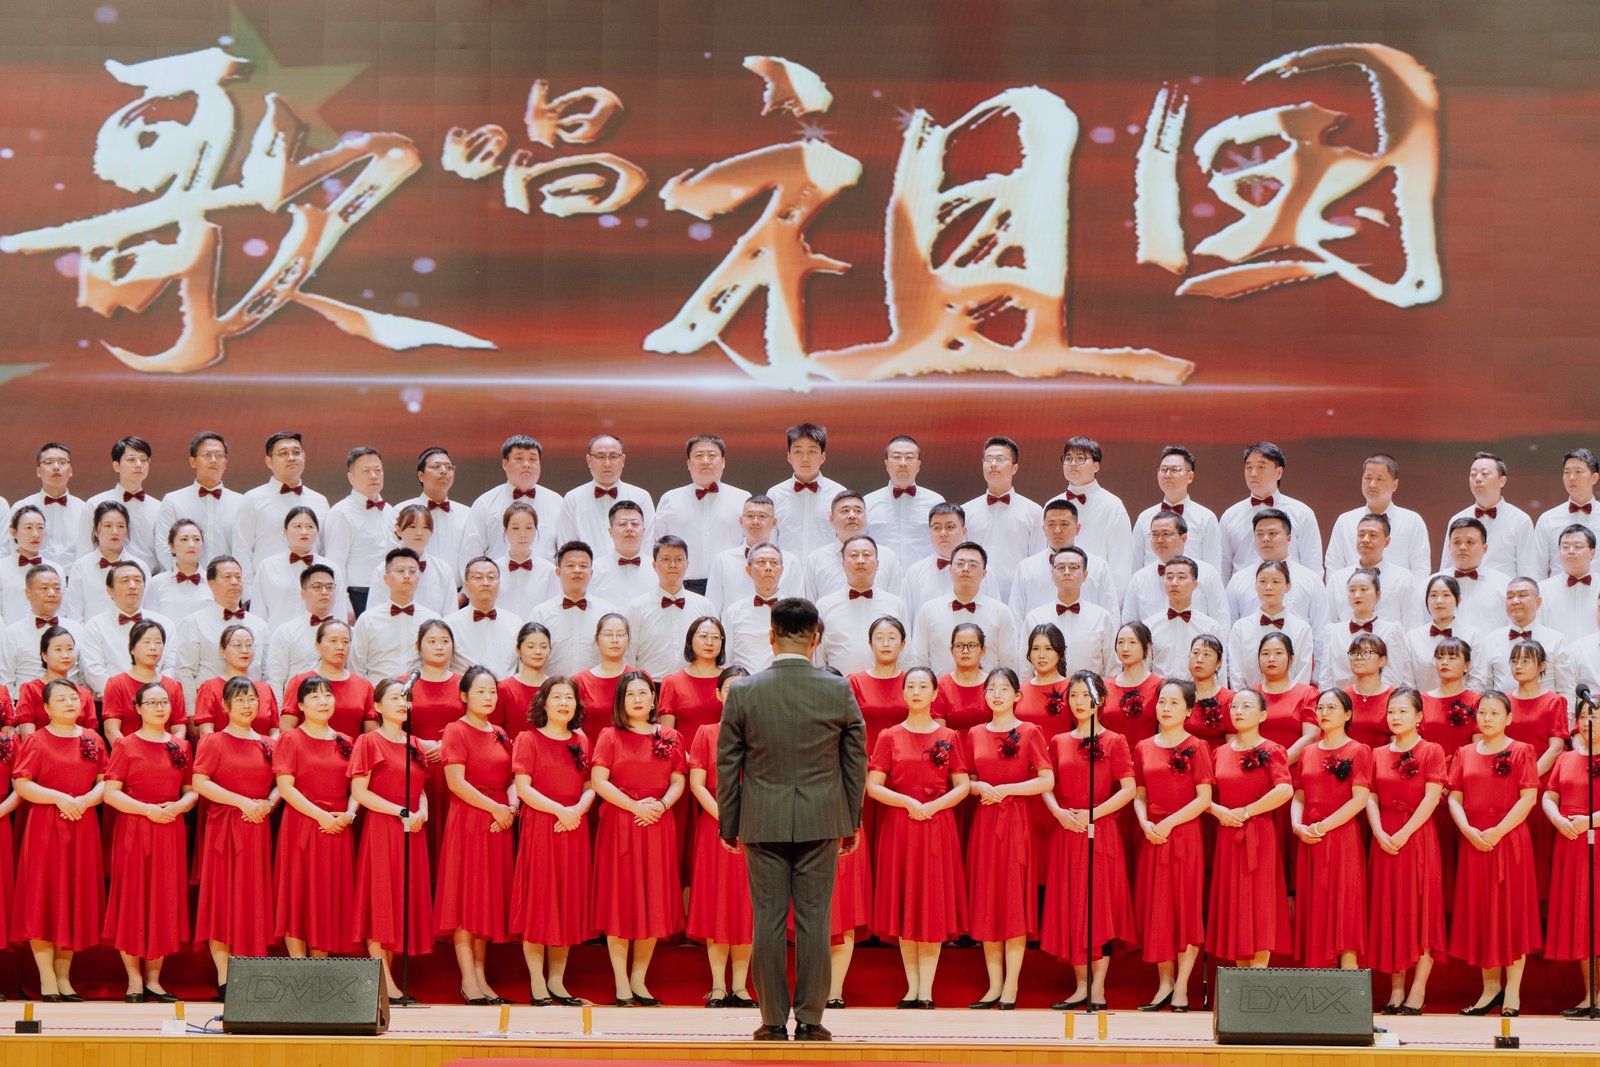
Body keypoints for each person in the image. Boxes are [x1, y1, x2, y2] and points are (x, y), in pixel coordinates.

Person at [718, 597, 866, 1040]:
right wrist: (851, 820)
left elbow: (727, 765)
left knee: (766, 919)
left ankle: (770, 1020)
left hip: (762, 819)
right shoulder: (837, 689)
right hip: (822, 818)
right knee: (814, 920)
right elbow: (855, 761)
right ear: (815, 639)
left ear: (771, 637)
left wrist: (730, 824)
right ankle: (811, 1019)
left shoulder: (744, 691)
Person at [867, 666, 970, 1010]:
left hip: (937, 825)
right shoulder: (889, 736)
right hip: (901, 825)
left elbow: (963, 785)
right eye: (910, 686)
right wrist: (907, 802)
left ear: (934, 693)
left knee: (931, 905)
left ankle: (926, 990)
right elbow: (873, 786)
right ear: (903, 693)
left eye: (923, 686)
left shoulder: (949, 736)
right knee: (906, 903)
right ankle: (912, 989)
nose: (916, 692)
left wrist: (935, 806)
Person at [1040, 670, 1137, 1011]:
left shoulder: (1115, 741)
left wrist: (1093, 813)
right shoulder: (1058, 742)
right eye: (1074, 695)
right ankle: (1080, 985)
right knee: (1073, 907)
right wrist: (1058, 813)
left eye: (1087, 695)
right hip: (1067, 830)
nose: (1080, 702)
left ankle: (1098, 987)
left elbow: (1128, 790)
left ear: (1101, 700)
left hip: (1101, 831)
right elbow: (1046, 785)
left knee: (1100, 907)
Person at [591, 670, 686, 1006]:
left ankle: (639, 980)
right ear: (621, 700)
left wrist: (661, 805)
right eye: (630, 694)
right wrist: (634, 806)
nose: (637, 699)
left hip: (657, 824)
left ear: (653, 699)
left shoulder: (670, 736)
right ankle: (621, 982)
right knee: (620, 903)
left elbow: (679, 779)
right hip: (621, 821)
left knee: (652, 902)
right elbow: (599, 781)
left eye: (643, 693)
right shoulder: (609, 735)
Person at [1447, 689, 1542, 1016]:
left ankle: (1512, 992)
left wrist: (1498, 831)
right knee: (1482, 912)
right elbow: (1454, 797)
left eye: (1494, 713)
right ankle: (1490, 990)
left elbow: (1528, 798)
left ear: (1508, 718)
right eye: (1482, 713)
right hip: (1474, 840)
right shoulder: (1464, 753)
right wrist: (1467, 829)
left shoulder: (1522, 750)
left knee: (1512, 913)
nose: (1487, 718)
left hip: (1509, 839)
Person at [10, 680, 106, 1001]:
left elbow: (105, 781)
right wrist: (58, 798)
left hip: (82, 823)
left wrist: (86, 800)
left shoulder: (93, 738)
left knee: (72, 897)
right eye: (61, 699)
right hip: (46, 826)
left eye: (73, 698)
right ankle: (47, 977)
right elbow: (22, 784)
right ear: (47, 708)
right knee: (44, 897)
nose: (69, 703)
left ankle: (64, 978)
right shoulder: (37, 740)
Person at [102, 680, 197, 1002]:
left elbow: (191, 790)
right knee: (132, 900)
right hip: (135, 829)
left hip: (169, 829)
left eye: (164, 702)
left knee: (164, 901)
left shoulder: (181, 746)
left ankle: (154, 980)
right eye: (152, 703)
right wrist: (147, 810)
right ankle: (133, 980)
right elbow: (111, 793)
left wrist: (180, 806)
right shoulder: (126, 745)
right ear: (138, 709)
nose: (159, 708)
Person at [964, 668, 1052, 1009]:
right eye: (991, 689)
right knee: (988, 900)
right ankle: (994, 985)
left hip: (1015, 821)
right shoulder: (974, 733)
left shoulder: (1029, 731)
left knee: (1013, 900)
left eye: (1004, 689)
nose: (997, 694)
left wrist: (1006, 790)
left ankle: (1011, 985)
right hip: (985, 823)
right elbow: (965, 780)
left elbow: (1046, 780)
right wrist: (978, 787)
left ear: (1017, 695)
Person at [191, 677, 279, 995]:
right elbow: (200, 782)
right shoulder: (213, 741)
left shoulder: (269, 744)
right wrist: (243, 802)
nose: (247, 705)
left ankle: (252, 975)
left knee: (252, 898)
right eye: (239, 700)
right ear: (226, 706)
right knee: (222, 900)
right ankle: (225, 977)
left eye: (252, 699)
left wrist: (268, 804)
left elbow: (280, 784)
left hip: (257, 827)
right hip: (225, 827)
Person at [435, 666, 517, 1005]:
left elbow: (513, 778)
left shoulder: (500, 732)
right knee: (466, 899)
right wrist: (495, 808)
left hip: (499, 822)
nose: (488, 697)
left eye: (492, 691)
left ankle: (482, 977)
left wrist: (511, 808)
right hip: (470, 820)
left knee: (486, 901)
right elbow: (456, 783)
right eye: (481, 691)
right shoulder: (456, 730)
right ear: (464, 695)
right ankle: (468, 979)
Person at [512, 677, 595, 1006]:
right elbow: (523, 788)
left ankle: (558, 983)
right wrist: (561, 811)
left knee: (567, 901)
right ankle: (537, 983)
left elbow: (590, 785)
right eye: (557, 697)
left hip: (573, 826)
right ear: (543, 703)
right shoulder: (528, 739)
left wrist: (577, 810)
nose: (563, 703)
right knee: (540, 901)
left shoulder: (582, 740)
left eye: (569, 698)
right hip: (542, 825)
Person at [1131, 680, 1214, 1012]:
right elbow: (1139, 794)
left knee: (1185, 909)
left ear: (1189, 710)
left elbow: (1204, 798)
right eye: (1162, 702)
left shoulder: (1197, 746)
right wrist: (1144, 823)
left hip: (1184, 835)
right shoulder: (1143, 747)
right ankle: (1164, 983)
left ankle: (1181, 987)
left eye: (1174, 703)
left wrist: (1169, 823)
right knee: (1159, 910)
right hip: (1153, 834)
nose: (1165, 708)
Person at [348, 678, 432, 1005]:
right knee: (380, 901)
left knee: (399, 903)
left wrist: (422, 811)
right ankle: (384, 983)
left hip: (411, 829)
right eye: (395, 698)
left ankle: (388, 980)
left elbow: (420, 787)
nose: (402, 703)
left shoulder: (415, 744)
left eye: (405, 698)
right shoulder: (369, 741)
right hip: (383, 827)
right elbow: (360, 792)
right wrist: (400, 811)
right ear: (378, 706)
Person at [1366, 687, 1448, 1015]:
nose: (1396, 717)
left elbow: (1432, 798)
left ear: (1418, 717)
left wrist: (1403, 833)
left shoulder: (1431, 750)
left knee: (1420, 910)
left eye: (1403, 711)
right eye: (1391, 712)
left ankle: (1418, 988)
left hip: (1416, 836)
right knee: (1391, 911)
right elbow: (1370, 796)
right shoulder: (1376, 754)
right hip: (1383, 837)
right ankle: (1396, 988)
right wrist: (1378, 831)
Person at [1206, 687, 1293, 967]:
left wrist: (1246, 812)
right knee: (1235, 904)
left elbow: (1284, 790)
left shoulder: (1272, 750)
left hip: (1259, 833)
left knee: (1259, 903)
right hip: (1227, 833)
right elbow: (1202, 795)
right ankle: (1240, 980)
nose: (1239, 712)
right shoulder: (1219, 753)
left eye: (1246, 707)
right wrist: (1217, 810)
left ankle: (1257, 977)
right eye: (1234, 707)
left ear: (1263, 715)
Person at [273, 675, 358, 958]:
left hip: (337, 826)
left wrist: (349, 813)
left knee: (327, 896)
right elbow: (286, 788)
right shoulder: (290, 739)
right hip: (303, 822)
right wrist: (321, 816)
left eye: (327, 695)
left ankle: (318, 970)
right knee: (297, 893)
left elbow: (357, 787)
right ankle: (299, 967)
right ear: (300, 705)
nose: (323, 701)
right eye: (314, 696)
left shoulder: (346, 741)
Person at [687, 666, 756, 1008]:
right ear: (718, 694)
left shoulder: (763, 732)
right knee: (717, 905)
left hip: (754, 830)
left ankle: (740, 987)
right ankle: (717, 986)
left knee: (746, 907)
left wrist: (747, 821)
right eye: (730, 688)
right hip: (714, 827)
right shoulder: (706, 733)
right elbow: (697, 784)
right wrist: (727, 819)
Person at [1291, 688, 1373, 969]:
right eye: (1320, 708)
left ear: (1348, 714)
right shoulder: (1308, 752)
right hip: (1309, 837)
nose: (1324, 713)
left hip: (1341, 837)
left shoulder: (1358, 750)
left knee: (1345, 906)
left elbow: (1359, 800)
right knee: (1315, 906)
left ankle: (1349, 982)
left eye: (1332, 708)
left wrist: (1323, 826)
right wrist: (1297, 825)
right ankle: (1316, 979)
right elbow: (1299, 795)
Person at [1541, 692, 1600, 1016]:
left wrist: (1590, 821)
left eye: (1595, 715)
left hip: (1595, 836)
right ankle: (1590, 995)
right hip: (1570, 840)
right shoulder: (1566, 758)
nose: (1588, 722)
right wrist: (1557, 818)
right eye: (1583, 716)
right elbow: (1549, 795)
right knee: (1583, 919)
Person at [654, 434, 750, 594]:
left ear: (723, 462)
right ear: (688, 463)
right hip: (682, 588)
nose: (705, 461)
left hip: (731, 586)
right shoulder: (670, 499)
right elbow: (658, 544)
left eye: (712, 455)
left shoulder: (742, 498)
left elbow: (751, 544)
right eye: (699, 456)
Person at [232, 432, 332, 577]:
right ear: (269, 461)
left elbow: (325, 550)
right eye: (283, 453)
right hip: (268, 584)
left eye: (296, 453)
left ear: (304, 456)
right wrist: (248, 589)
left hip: (312, 584)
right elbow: (241, 550)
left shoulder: (320, 501)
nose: (291, 458)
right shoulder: (252, 499)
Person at [1218, 441, 1323, 579]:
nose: (1253, 473)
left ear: (1278, 472)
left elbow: (1313, 565)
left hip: (1290, 589)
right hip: (1243, 590)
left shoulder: (1302, 513)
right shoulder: (1230, 515)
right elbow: (1223, 567)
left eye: (1261, 467)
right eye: (1249, 467)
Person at [910, 542, 1018, 675]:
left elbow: (1008, 664)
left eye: (973, 565)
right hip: (940, 688)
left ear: (984, 573)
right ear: (950, 569)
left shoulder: (1001, 613)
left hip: (988, 688)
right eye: (960, 564)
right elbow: (919, 661)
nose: (965, 569)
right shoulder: (929, 611)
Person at [1007, 500, 1119, 620]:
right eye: (1051, 524)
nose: (1057, 530)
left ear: (1077, 528)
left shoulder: (1098, 566)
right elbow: (1016, 616)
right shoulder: (1026, 568)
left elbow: (1111, 615)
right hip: (1039, 631)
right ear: (1043, 529)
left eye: (1064, 524)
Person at [1223, 510, 1330, 635]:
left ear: (1288, 538)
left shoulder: (1311, 580)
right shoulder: (1238, 580)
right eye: (1259, 534)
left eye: (1272, 533)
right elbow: (1228, 629)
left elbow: (1321, 631)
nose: (1265, 539)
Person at [815, 535, 910, 674]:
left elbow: (906, 656)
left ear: (877, 564)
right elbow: (818, 657)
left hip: (885, 685)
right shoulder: (824, 606)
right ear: (843, 565)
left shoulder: (895, 604)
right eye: (854, 555)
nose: (860, 560)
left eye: (866, 555)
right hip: (838, 685)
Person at [962, 435, 1043, 597]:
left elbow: (1037, 561)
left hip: (1018, 595)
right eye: (988, 459)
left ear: (1014, 468)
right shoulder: (966, 511)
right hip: (976, 595)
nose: (993, 464)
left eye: (1000, 459)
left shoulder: (1033, 511)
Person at [1325, 455, 1432, 577]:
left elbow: (1421, 569)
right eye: (1368, 478)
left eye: (1379, 479)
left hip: (1398, 588)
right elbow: (1333, 566)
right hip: (1354, 588)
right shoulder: (1345, 521)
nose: (1372, 484)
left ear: (1394, 485)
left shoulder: (1412, 521)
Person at [625, 536, 716, 679]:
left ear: (687, 564)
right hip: (650, 684)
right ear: (654, 565)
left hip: (694, 682)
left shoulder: (705, 606)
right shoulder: (636, 607)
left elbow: (715, 648)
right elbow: (628, 654)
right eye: (666, 559)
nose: (673, 565)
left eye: (679, 559)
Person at [463, 435, 561, 561]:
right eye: (519, 458)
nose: (526, 464)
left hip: (547, 574)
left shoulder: (557, 502)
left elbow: (566, 550)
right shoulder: (485, 503)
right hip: (497, 573)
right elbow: (470, 552)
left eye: (532, 459)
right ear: (505, 464)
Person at [154, 431, 242, 571]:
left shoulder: (241, 502)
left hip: (227, 581)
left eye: (219, 455)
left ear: (225, 463)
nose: (213, 460)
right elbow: (164, 545)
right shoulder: (173, 500)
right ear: (193, 462)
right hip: (184, 580)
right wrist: (184, 576)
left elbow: (245, 548)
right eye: (207, 455)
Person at [1022, 546, 1117, 675]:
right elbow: (1025, 669)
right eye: (1061, 567)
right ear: (1052, 574)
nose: (1067, 572)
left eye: (1073, 567)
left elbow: (1112, 667)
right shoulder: (1035, 618)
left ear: (1085, 575)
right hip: (1045, 688)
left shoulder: (1102, 617)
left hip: (1089, 688)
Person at [1123, 511, 1229, 625]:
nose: (1159, 540)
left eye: (1166, 534)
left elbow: (1221, 619)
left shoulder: (1207, 573)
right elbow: (1129, 624)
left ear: (1183, 538)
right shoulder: (1139, 578)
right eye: (1155, 534)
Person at [250, 506, 350, 627]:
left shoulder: (331, 568)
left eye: (310, 526)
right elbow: (257, 613)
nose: (304, 531)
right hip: (276, 635)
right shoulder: (267, 567)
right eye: (298, 526)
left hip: (319, 635)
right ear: (285, 532)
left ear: (317, 532)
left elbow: (339, 612)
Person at [350, 549, 442, 680]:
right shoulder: (367, 620)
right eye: (400, 570)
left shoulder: (433, 620)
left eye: (412, 571)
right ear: (386, 578)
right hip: (378, 690)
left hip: (419, 690)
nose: (407, 575)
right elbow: (356, 666)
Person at [528, 542, 615, 678]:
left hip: (596, 687)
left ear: (591, 573)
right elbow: (529, 657)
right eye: (570, 565)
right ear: (558, 572)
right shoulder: (540, 613)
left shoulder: (608, 613)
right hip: (552, 688)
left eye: (583, 566)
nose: (577, 570)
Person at [1440, 452, 1533, 578]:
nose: (1477, 479)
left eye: (1484, 473)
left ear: (1502, 481)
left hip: (1503, 590)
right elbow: (1446, 568)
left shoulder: (1521, 520)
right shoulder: (1457, 519)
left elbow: (1528, 570)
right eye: (1473, 474)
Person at [1226, 560, 1317, 689]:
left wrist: (1292, 698)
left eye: (1276, 582)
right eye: (1263, 581)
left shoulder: (1302, 629)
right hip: (1248, 699)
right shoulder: (1240, 628)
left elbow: (1303, 674)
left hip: (1292, 700)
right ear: (1255, 585)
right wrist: (1246, 699)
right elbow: (1236, 673)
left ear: (1288, 586)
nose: (1269, 587)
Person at [1131, 445, 1222, 571]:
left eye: (1175, 470)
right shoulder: (1144, 517)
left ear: (1190, 477)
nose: (1167, 475)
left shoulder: (1206, 518)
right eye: (1163, 470)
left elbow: (1213, 568)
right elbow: (1135, 566)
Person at [704, 496, 804, 609]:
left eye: (762, 516)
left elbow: (799, 609)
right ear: (741, 521)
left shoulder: (791, 562)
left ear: (774, 522)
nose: (755, 521)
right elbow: (712, 608)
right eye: (750, 516)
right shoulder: (723, 560)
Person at [324, 446, 389, 617]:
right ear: (351, 478)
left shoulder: (391, 512)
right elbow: (335, 562)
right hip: (358, 595)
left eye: (378, 470)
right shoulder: (341, 512)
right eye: (366, 471)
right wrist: (344, 604)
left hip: (389, 593)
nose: (373, 475)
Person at [558, 434, 656, 548]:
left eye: (614, 456)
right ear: (589, 460)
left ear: (623, 460)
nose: (607, 463)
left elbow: (648, 545)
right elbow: (566, 547)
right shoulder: (573, 499)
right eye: (600, 456)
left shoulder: (641, 497)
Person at [1058, 436, 1133, 583]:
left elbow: (1121, 565)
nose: (1073, 463)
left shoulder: (1113, 506)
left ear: (1096, 466)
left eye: (1080, 458)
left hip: (1098, 590)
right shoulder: (1052, 505)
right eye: (1068, 458)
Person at [1321, 568, 1411, 689]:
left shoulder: (1391, 631)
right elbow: (1325, 679)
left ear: (1378, 594)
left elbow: (1392, 679)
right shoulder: (1333, 631)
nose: (1357, 595)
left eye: (1363, 589)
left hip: (1378, 698)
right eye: (1352, 590)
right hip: (1339, 698)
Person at [767, 423, 846, 559]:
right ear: (789, 457)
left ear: (822, 457)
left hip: (826, 568)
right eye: (798, 452)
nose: (805, 459)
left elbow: (845, 538)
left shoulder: (839, 494)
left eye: (812, 451)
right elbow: (770, 539)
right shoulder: (774, 494)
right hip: (786, 569)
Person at [102, 619, 188, 743]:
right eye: (146, 642)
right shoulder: (116, 684)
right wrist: (128, 751)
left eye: (158, 642)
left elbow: (179, 728)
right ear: (132, 648)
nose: (153, 647)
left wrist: (172, 750)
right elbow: (111, 730)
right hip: (129, 752)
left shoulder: (173, 686)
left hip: (167, 751)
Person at [284, 620, 375, 735]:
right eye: (333, 641)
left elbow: (371, 732)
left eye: (345, 642)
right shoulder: (300, 681)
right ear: (318, 645)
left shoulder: (364, 686)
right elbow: (287, 726)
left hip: (351, 746)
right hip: (308, 746)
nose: (340, 647)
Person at [865, 435, 946, 564]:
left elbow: (945, 544)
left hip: (923, 575)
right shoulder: (868, 502)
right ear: (886, 464)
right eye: (896, 457)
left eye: (909, 457)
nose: (903, 463)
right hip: (880, 574)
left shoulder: (936, 502)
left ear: (918, 465)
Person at [262, 564, 341, 695]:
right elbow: (275, 680)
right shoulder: (286, 632)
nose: (324, 592)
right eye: (317, 587)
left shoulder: (348, 632)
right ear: (303, 593)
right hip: (296, 705)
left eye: (329, 587)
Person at [367, 504, 456, 617]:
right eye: (412, 527)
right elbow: (373, 612)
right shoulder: (382, 570)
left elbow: (451, 614)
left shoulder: (443, 570)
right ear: (398, 530)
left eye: (425, 527)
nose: (419, 533)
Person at [1142, 555, 1223, 678]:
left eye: (1181, 577)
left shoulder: (1211, 627)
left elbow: (1219, 675)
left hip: (1198, 690)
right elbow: (1144, 672)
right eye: (1169, 577)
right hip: (1160, 690)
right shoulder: (1149, 626)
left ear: (1195, 584)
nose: (1174, 583)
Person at [1407, 575, 1487, 691]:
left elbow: (1477, 681)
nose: (1439, 601)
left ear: (1458, 600)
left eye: (1446, 595)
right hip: (1422, 701)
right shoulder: (1413, 637)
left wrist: (1460, 703)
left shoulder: (1473, 636)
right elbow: (1408, 683)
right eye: (1433, 595)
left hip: (1462, 702)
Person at [64, 500, 139, 622]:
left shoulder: (140, 566)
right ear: (95, 531)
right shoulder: (81, 567)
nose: (115, 531)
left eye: (120, 526)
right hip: (89, 633)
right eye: (108, 526)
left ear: (127, 530)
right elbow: (74, 614)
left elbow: (146, 611)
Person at [1529, 448, 1600, 578]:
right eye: (1567, 472)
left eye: (1578, 472)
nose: (1571, 478)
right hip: (1557, 590)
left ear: (1594, 478)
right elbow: (1537, 569)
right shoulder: (1548, 519)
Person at [397, 447, 469, 575]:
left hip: (458, 587)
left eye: (449, 467)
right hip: (413, 584)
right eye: (436, 466)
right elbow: (392, 551)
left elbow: (472, 553)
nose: (444, 471)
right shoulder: (401, 510)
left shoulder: (467, 513)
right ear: (421, 475)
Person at [14, 626, 98, 734]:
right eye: (58, 649)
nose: (65, 655)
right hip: (40, 745)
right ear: (44, 655)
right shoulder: (31, 690)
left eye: (70, 649)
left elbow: (90, 737)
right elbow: (28, 738)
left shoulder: (84, 693)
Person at [445, 557, 523, 673]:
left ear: (499, 583)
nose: (486, 583)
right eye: (478, 577)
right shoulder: (449, 625)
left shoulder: (515, 623)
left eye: (491, 577)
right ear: (466, 585)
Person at [18, 442, 90, 565]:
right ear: (38, 471)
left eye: (62, 462)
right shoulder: (21, 507)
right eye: (48, 462)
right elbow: (13, 550)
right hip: (31, 573)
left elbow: (88, 551)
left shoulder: (85, 509)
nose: (56, 467)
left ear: (70, 470)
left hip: (73, 575)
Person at [847, 615, 911, 752]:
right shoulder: (855, 682)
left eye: (892, 638)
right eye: (879, 638)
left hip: (904, 758)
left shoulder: (912, 683)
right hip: (864, 759)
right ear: (871, 644)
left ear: (902, 644)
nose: (885, 643)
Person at [1439, 516, 1511, 633]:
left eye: (1470, 542)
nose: (1462, 547)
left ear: (1485, 548)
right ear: (1449, 547)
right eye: (1457, 542)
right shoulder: (1432, 584)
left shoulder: (1504, 584)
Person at [720, 542, 785, 671]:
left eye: (773, 563)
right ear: (749, 571)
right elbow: (726, 659)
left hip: (781, 681)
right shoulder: (733, 612)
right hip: (743, 681)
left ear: (781, 570)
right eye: (761, 562)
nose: (768, 568)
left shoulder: (795, 611)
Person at [1101, 623, 1162, 746]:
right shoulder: (1105, 686)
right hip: (1110, 755)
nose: (1125, 648)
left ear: (1147, 647)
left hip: (1145, 756)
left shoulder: (1159, 686)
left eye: (1132, 642)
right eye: (1120, 642)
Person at [494, 502, 559, 618]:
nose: (523, 534)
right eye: (516, 528)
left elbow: (553, 611)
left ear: (535, 530)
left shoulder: (549, 570)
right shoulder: (493, 569)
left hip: (538, 628)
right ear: (506, 530)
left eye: (528, 528)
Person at [590, 501, 658, 607]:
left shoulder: (658, 569)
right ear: (610, 531)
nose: (629, 528)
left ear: (643, 530)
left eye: (635, 524)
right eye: (622, 524)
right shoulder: (594, 570)